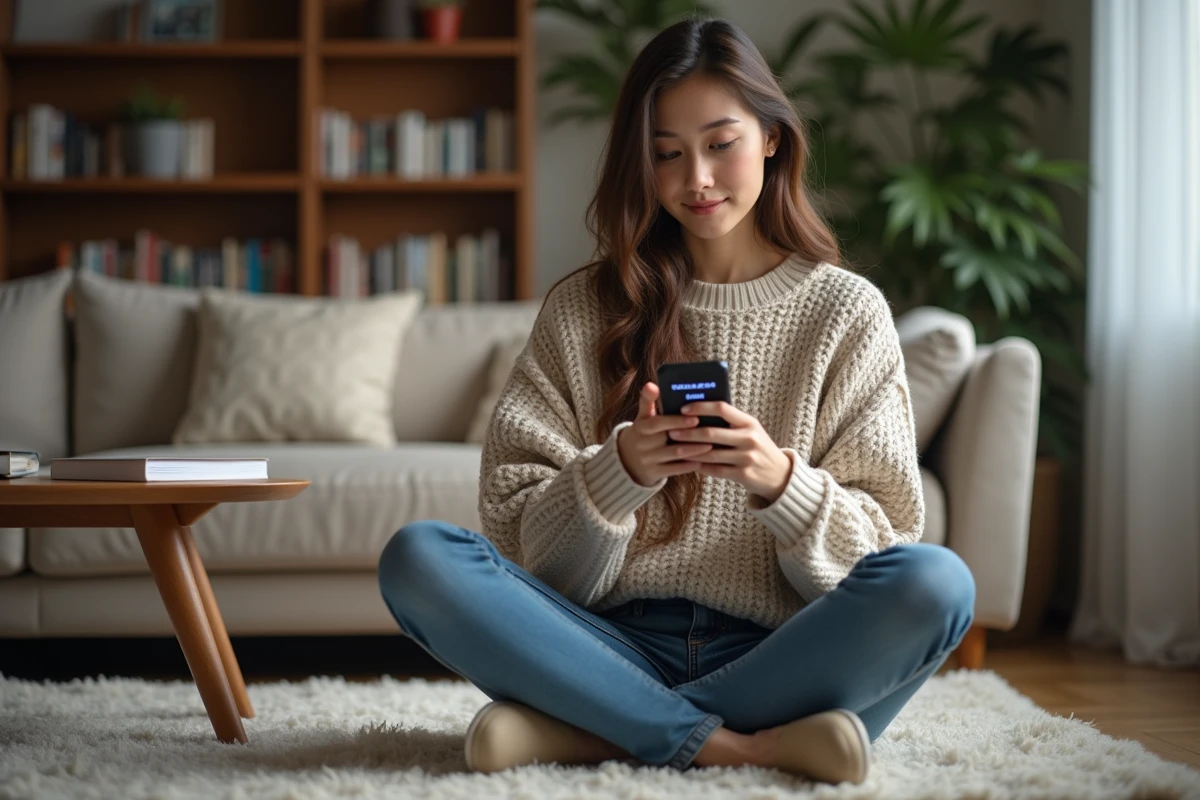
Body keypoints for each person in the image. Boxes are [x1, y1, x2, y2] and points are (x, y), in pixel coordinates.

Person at [377, 16, 975, 785]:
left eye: (720, 143)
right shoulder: (584, 310)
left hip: (782, 650)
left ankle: (589, 727)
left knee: (939, 582)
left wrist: (781, 484)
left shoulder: (846, 313)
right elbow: (528, 554)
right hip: (600, 639)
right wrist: (616, 473)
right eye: (666, 154)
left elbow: (882, 551)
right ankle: (747, 746)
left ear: (770, 138)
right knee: (420, 558)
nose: (696, 178)